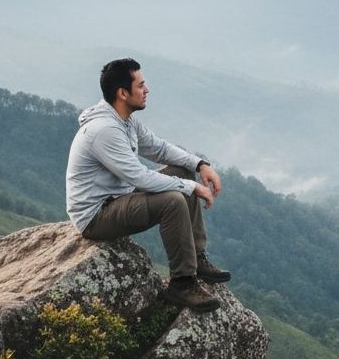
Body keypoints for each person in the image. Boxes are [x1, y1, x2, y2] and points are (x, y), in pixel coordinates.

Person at [65, 57, 231, 312]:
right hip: (97, 215)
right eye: (141, 85)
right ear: (122, 93)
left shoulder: (125, 120)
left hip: (120, 197)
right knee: (174, 199)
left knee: (183, 172)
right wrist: (191, 188)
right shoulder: (104, 130)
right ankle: (182, 283)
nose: (147, 89)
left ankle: (197, 259)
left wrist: (199, 165)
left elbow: (159, 148)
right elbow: (140, 177)